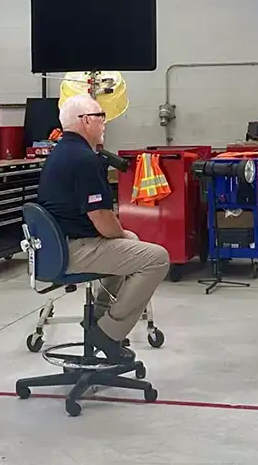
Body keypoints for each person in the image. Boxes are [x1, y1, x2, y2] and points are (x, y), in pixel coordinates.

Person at [36, 94, 170, 363]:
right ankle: (109, 333)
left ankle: (98, 319)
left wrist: (123, 238)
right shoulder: (85, 160)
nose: (104, 123)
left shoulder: (62, 152)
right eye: (101, 117)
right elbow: (102, 219)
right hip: (73, 249)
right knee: (157, 258)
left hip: (56, 246)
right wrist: (120, 236)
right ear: (85, 121)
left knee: (129, 240)